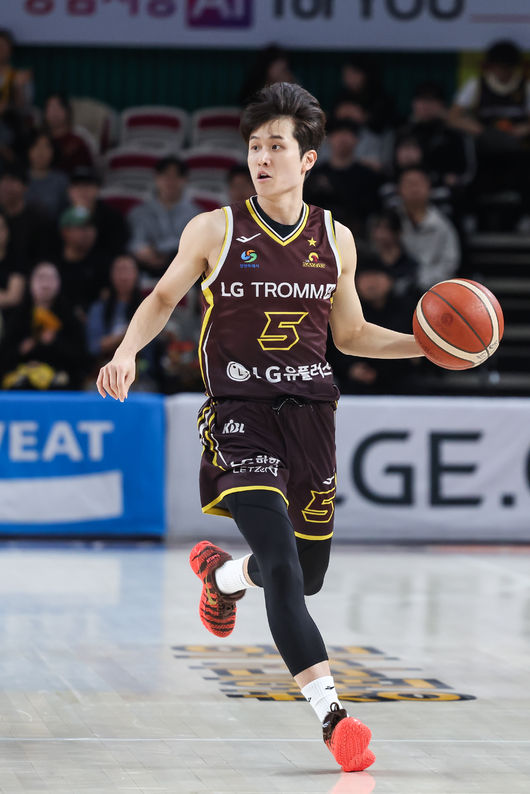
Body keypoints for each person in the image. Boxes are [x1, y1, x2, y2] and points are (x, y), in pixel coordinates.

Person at [96, 82, 423, 773]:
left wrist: (426, 345)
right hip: (239, 414)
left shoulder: (336, 238)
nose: (262, 158)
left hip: (312, 417)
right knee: (280, 561)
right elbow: (162, 296)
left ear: (307, 160)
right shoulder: (215, 229)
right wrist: (126, 352)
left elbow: (353, 335)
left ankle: (222, 577)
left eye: (277, 146)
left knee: (305, 575)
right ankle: (333, 717)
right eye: (254, 146)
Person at [1, 260, 86, 390]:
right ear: (31, 283)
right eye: (41, 277)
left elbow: (81, 359)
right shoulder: (17, 316)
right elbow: (4, 356)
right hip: (21, 382)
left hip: (59, 382)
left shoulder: (69, 316)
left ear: (59, 283)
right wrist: (21, 350)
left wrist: (55, 341)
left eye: (51, 278)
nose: (46, 283)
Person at [304, 116, 381, 236]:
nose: (343, 138)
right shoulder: (315, 173)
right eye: (337, 133)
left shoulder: (367, 175)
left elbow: (371, 210)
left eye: (349, 133)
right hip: (318, 234)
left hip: (358, 235)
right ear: (328, 139)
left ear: (357, 139)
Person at [127, 156, 199, 282]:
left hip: (183, 274)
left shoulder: (196, 214)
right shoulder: (139, 212)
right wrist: (142, 251)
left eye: (176, 176)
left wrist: (159, 250)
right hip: (145, 270)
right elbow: (135, 242)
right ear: (156, 178)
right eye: (165, 176)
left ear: (184, 180)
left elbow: (193, 247)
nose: (170, 182)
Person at [396, 166, 460, 291]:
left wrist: (422, 281)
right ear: (399, 189)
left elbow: (450, 262)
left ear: (429, 188)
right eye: (409, 183)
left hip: (436, 289)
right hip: (397, 288)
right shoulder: (390, 222)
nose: (414, 188)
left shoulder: (442, 224)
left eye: (418, 183)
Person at [57, 206, 111, 315]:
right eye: (82, 227)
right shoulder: (53, 267)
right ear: (65, 232)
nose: (88, 232)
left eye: (91, 226)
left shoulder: (104, 264)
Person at [68, 166, 129, 257]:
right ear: (69, 190)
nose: (82, 190)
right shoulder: (60, 217)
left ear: (97, 189)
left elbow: (117, 252)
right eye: (77, 185)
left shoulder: (113, 218)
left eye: (87, 185)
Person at [43, 93, 94, 175]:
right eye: (50, 108)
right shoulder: (40, 140)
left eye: (58, 108)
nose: (54, 113)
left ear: (67, 111)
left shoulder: (77, 141)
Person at [25, 129, 69, 221]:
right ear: (29, 150)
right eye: (36, 145)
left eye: (46, 146)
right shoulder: (18, 178)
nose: (40, 151)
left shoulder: (61, 180)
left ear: (53, 151)